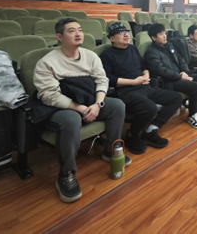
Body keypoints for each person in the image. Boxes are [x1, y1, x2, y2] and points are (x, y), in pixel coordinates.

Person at [34, 18, 129, 203]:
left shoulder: (90, 56)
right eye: (72, 31)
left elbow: (102, 80)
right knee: (71, 119)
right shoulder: (47, 62)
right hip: (59, 106)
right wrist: (79, 108)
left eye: (80, 30)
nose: (78, 34)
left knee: (117, 105)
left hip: (88, 100)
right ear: (59, 37)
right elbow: (49, 95)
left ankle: (110, 151)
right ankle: (66, 173)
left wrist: (98, 104)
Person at [100, 22, 183, 155]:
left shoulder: (133, 49)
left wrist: (146, 75)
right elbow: (109, 79)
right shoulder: (106, 55)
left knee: (176, 97)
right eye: (121, 33)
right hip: (125, 92)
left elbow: (144, 65)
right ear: (112, 38)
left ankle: (151, 129)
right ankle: (132, 135)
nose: (126, 35)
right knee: (150, 107)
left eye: (127, 32)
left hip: (143, 86)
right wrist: (133, 82)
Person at [144, 23, 197, 130]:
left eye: (165, 33)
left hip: (181, 75)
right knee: (195, 86)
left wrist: (184, 71)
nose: (165, 36)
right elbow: (161, 71)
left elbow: (181, 59)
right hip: (168, 81)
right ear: (153, 38)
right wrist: (180, 76)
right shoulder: (151, 52)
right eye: (161, 34)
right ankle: (192, 116)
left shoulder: (169, 46)